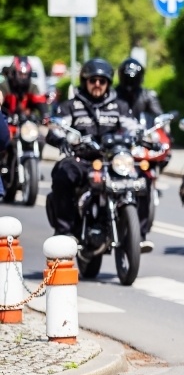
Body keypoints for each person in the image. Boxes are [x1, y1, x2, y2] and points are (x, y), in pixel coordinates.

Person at [45, 58, 138, 239]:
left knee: (142, 179)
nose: (97, 84)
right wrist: (62, 140)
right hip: (81, 159)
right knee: (63, 173)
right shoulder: (71, 106)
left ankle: (138, 233)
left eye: (102, 81)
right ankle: (64, 231)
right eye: (93, 80)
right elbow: (57, 128)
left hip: (112, 160)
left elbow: (133, 127)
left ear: (108, 83)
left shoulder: (119, 106)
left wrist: (145, 138)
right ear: (84, 81)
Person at [117, 58, 167, 249]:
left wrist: (157, 131)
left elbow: (157, 115)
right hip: (118, 145)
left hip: (140, 142)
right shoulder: (113, 95)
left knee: (144, 182)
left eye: (134, 78)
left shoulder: (146, 95)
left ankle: (142, 233)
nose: (130, 82)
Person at [0, 56, 50, 123]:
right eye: (20, 74)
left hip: (27, 125)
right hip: (7, 122)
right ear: (14, 73)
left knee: (45, 132)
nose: (23, 77)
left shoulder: (32, 87)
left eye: (25, 74)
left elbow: (40, 101)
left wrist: (45, 115)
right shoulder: (4, 86)